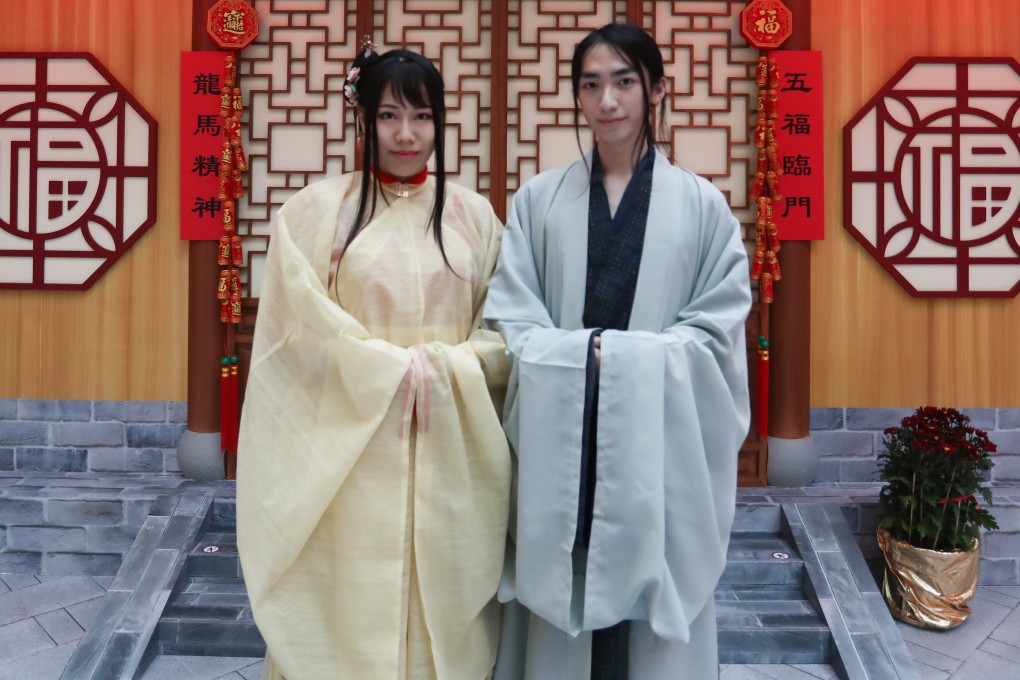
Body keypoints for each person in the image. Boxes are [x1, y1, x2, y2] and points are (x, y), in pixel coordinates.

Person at [484, 22, 751, 680]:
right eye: (592, 84)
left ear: (656, 89)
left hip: (654, 449)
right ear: (577, 97)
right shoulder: (537, 202)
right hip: (561, 450)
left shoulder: (702, 207)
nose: (609, 100)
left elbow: (717, 329)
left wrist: (621, 363)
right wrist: (588, 363)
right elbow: (511, 318)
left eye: (625, 82)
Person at [236, 43, 511, 680]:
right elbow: (298, 329)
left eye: (422, 116)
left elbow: (503, 330)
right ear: (363, 119)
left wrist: (443, 368)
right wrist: (390, 371)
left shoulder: (475, 217)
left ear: (442, 121)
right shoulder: (313, 214)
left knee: (442, 601)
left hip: (450, 444)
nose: (406, 134)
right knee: (348, 601)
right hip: (349, 452)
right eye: (389, 116)